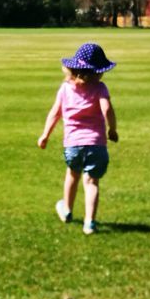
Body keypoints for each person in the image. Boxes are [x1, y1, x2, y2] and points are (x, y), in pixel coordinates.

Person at [38, 42, 118, 235]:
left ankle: (67, 210)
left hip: (73, 144)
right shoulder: (100, 88)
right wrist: (112, 129)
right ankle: (89, 223)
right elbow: (106, 109)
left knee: (72, 175)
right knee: (91, 182)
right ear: (98, 71)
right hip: (97, 144)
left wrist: (45, 135)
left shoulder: (65, 88)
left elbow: (55, 113)